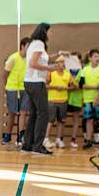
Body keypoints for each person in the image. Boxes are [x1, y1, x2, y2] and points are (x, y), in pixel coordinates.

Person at [22, 22, 59, 155]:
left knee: (34, 114)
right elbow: (33, 63)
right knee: (43, 114)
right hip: (37, 82)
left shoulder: (33, 43)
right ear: (44, 31)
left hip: (30, 82)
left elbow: (40, 59)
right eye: (50, 31)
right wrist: (50, 68)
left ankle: (27, 145)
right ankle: (37, 146)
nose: (51, 33)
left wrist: (57, 55)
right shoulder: (39, 43)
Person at [2, 37, 30, 146]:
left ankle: (20, 136)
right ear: (22, 46)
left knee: (23, 112)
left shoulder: (29, 59)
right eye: (28, 46)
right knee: (12, 113)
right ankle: (7, 136)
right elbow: (5, 75)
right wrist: (6, 87)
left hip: (25, 88)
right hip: (12, 89)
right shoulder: (13, 58)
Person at [78, 49, 99, 149]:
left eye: (98, 56)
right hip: (87, 99)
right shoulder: (84, 70)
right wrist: (94, 86)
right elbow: (81, 85)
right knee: (88, 120)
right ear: (90, 58)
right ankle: (89, 140)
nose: (97, 58)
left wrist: (97, 97)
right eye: (95, 56)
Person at [44, 56, 73, 149]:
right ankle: (46, 139)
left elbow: (73, 87)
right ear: (57, 64)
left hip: (63, 100)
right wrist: (55, 87)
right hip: (52, 100)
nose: (63, 64)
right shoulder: (51, 74)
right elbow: (45, 85)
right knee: (50, 120)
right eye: (61, 62)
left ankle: (58, 139)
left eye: (64, 62)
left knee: (61, 121)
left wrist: (66, 88)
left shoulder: (68, 74)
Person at [65, 51, 84, 148]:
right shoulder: (66, 71)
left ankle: (73, 139)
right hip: (66, 98)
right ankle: (59, 139)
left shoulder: (82, 71)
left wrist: (75, 85)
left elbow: (81, 86)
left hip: (77, 99)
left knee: (76, 120)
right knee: (62, 119)